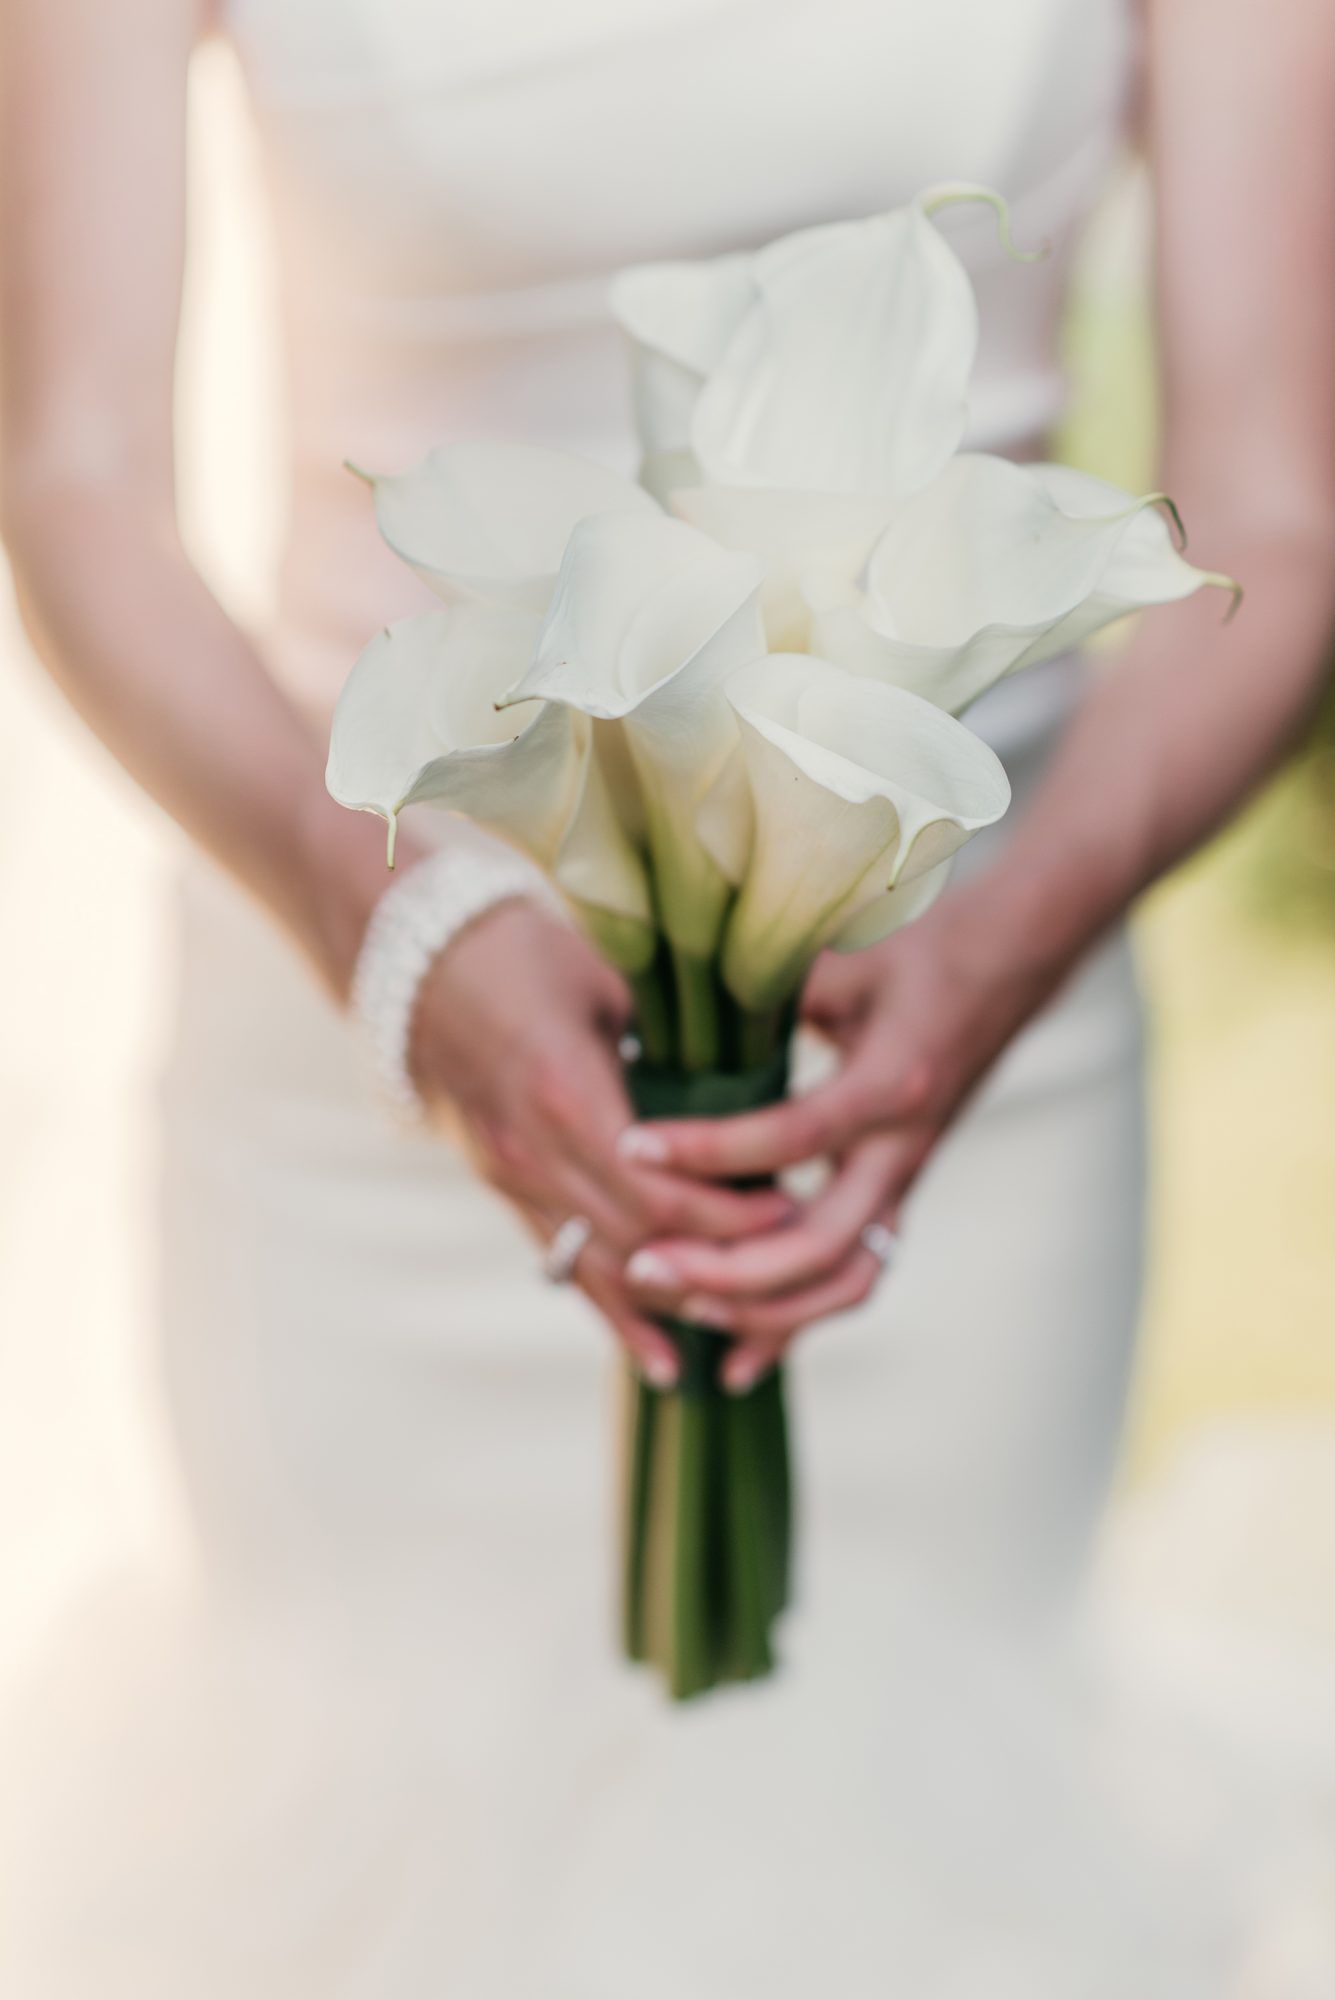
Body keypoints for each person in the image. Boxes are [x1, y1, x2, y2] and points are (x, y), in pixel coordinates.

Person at [2, 0, 1333, 1992]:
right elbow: (74, 467)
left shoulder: (984, 976)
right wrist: (396, 928)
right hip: (366, 1040)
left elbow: (1274, 517)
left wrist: (993, 942)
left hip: (959, 1050)